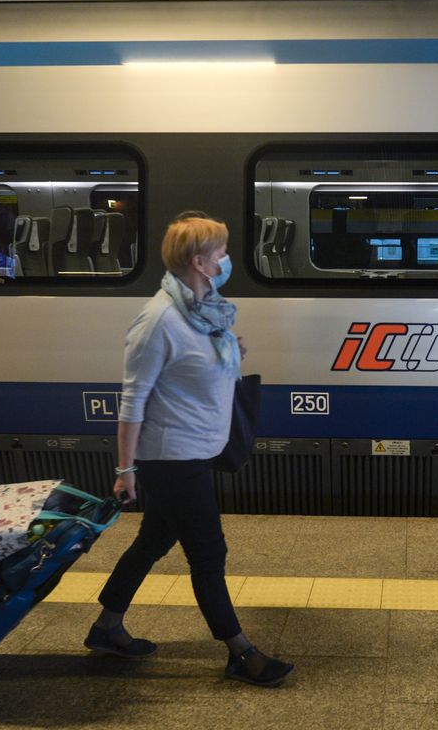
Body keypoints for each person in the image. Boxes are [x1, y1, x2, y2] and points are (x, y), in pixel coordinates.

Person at [85, 211, 293, 687]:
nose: (226, 259)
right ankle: (239, 651)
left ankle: (107, 627)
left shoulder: (205, 309)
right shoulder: (159, 319)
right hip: (172, 457)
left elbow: (192, 371)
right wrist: (126, 469)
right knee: (208, 553)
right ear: (200, 261)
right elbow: (132, 399)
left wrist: (230, 356)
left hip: (197, 448)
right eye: (220, 252)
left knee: (154, 540)